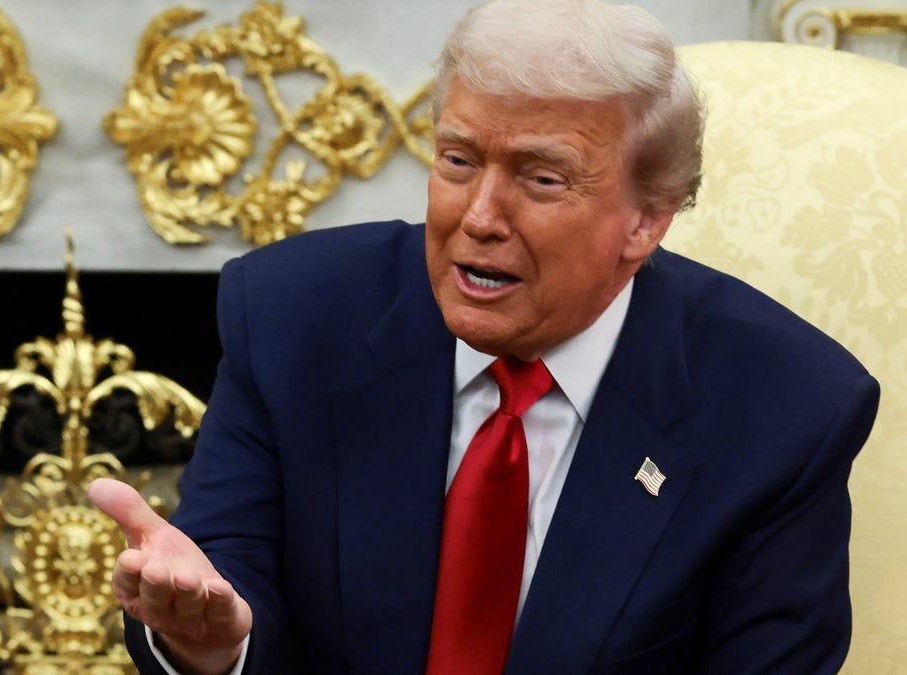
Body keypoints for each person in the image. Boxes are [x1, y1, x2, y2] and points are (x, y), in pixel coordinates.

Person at [91, 0, 881, 672]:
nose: (478, 217)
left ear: (647, 219)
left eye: (541, 178)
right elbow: (224, 576)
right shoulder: (295, 316)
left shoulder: (784, 410)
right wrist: (214, 643)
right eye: (458, 160)